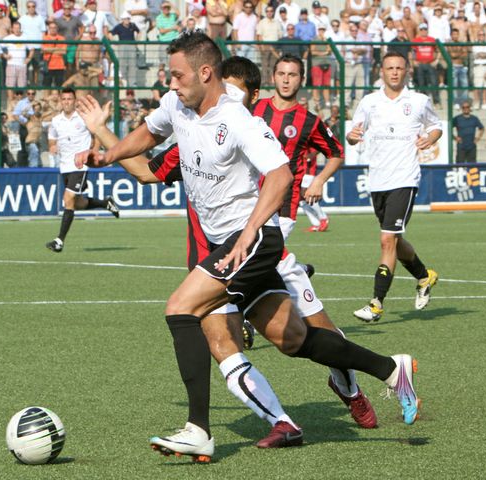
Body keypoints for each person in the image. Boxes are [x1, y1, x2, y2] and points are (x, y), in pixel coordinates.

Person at [79, 33, 421, 462]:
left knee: (181, 309)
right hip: (232, 242)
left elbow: (279, 176)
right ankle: (391, 369)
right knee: (293, 339)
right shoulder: (177, 104)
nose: (172, 82)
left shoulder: (238, 119)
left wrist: (247, 234)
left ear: (206, 73)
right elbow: (148, 135)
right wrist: (105, 156)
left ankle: (198, 430)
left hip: (252, 239)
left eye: (178, 74)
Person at [346, 51, 441, 323]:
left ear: (407, 71)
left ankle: (376, 303)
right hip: (377, 181)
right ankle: (424, 276)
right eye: (390, 68)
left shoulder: (419, 101)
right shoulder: (369, 102)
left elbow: (435, 127)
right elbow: (354, 135)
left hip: (405, 178)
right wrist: (352, 137)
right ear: (382, 71)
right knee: (395, 241)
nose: (395, 72)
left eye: (400, 68)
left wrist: (431, 139)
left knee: (387, 239)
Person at [252, 54, 342, 244]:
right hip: (248, 199)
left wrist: (319, 181)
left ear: (301, 80)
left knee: (260, 260)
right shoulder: (253, 109)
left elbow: (337, 153)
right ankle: (300, 271)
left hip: (284, 205)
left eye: (292, 75)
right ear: (273, 77)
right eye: (281, 74)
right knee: (256, 262)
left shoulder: (309, 121)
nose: (285, 80)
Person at [45, 88, 119, 253]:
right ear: (60, 101)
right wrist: (52, 146)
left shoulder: (82, 117)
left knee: (68, 198)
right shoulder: (56, 121)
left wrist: (95, 151)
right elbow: (51, 140)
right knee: (77, 203)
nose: (66, 102)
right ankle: (105, 202)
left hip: (80, 164)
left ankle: (59, 241)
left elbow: (97, 134)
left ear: (74, 100)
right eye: (63, 99)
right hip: (64, 166)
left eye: (69, 99)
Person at [42, 21, 67, 87]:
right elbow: (44, 50)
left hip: (59, 66)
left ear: (57, 29)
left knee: (59, 86)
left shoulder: (62, 38)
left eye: (54, 28)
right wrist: (57, 49)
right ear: (49, 29)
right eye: (51, 28)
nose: (53, 29)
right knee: (47, 86)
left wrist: (50, 49)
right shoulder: (45, 38)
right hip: (48, 65)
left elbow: (64, 51)